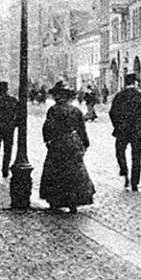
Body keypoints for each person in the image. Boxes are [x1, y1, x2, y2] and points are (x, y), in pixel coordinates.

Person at [39, 80, 95, 213]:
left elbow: (47, 127)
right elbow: (82, 129)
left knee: (55, 171)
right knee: (73, 172)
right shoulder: (75, 110)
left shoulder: (53, 110)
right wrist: (85, 143)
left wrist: (48, 141)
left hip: (58, 143)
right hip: (72, 142)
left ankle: (55, 200)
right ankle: (73, 202)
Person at [109, 72, 141, 191]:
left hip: (122, 130)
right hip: (137, 131)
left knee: (120, 152)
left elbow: (112, 113)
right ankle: (135, 183)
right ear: (135, 83)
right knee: (136, 157)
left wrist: (117, 125)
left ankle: (124, 171)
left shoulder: (119, 96)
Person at [0, 82, 18, 177]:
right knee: (7, 149)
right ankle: (5, 169)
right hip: (8, 128)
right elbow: (16, 114)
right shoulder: (12, 100)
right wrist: (12, 124)